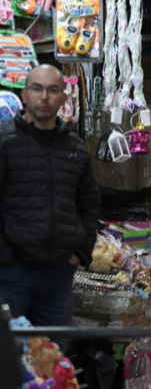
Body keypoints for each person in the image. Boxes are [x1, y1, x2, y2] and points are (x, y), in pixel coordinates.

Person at [0, 65, 100, 332]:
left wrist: (80, 252)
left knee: (54, 359)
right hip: (11, 275)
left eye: (53, 89)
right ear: (24, 95)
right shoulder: (5, 141)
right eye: (37, 88)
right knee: (11, 363)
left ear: (64, 97)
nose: (44, 97)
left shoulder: (76, 149)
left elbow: (89, 204)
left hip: (59, 276)